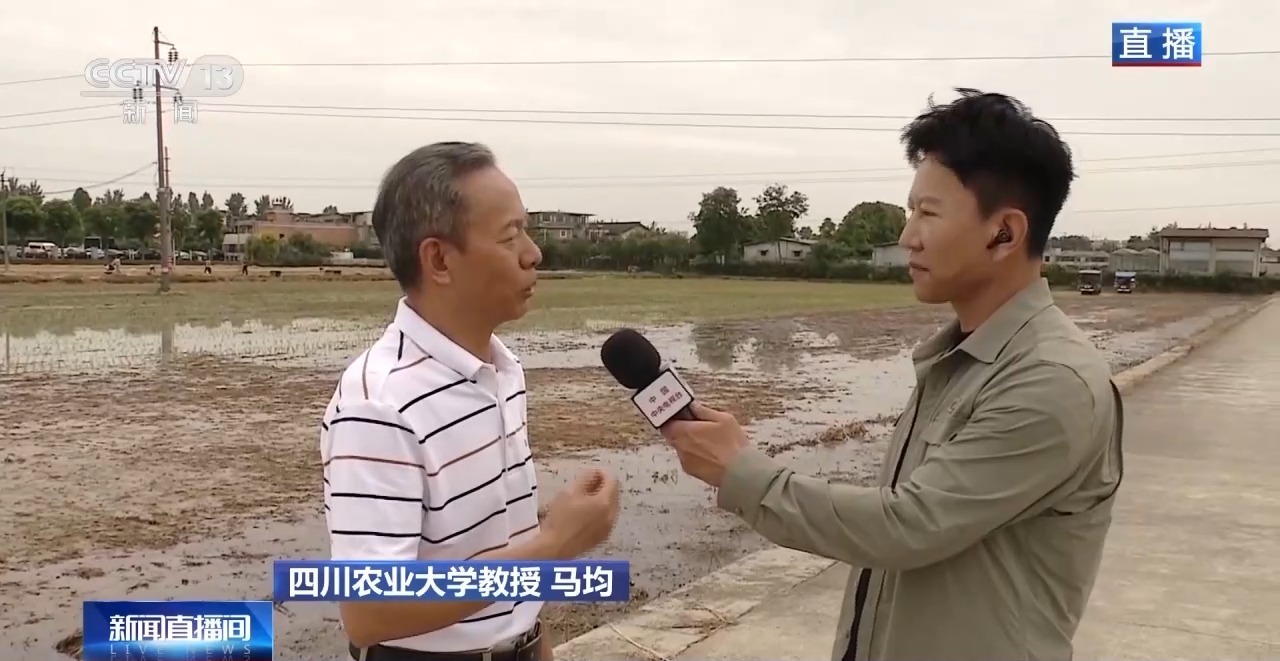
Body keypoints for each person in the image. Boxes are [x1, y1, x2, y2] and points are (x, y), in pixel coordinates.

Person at [659, 89, 1124, 661]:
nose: (907, 237)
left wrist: (743, 474)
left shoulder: (1050, 379)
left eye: (928, 213)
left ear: (1004, 232)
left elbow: (906, 526)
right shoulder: (961, 359)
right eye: (911, 212)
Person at [320, 141, 620, 661]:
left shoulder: (502, 371)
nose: (533, 253)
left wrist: (532, 641)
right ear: (438, 259)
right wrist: (554, 545)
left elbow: (504, 557)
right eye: (510, 235)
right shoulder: (380, 406)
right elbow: (370, 612)